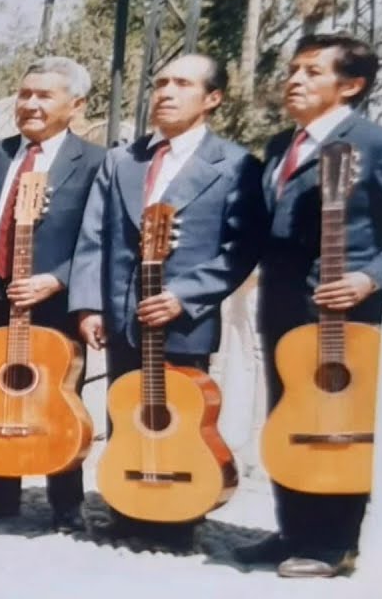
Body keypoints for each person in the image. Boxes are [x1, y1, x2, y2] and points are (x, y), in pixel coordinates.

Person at [69, 53, 267, 547]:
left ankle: (179, 512)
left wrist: (185, 295)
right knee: (127, 411)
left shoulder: (236, 165)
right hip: (123, 314)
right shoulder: (122, 160)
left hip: (184, 320)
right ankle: (128, 505)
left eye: (182, 83)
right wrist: (90, 304)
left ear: (213, 99)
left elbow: (240, 247)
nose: (165, 92)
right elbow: (94, 236)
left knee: (181, 416)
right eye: (160, 82)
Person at [233, 34, 382, 578]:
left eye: (311, 72)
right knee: (290, 415)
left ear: (350, 85)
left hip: (347, 311)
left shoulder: (378, 144)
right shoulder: (283, 144)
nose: (295, 80)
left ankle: (335, 545)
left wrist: (370, 278)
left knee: (339, 422)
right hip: (282, 304)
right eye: (293, 71)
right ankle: (293, 532)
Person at [0, 56, 105, 534]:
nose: (31, 104)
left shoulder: (97, 162)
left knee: (59, 395)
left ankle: (66, 504)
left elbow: (102, 238)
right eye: (25, 94)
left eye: (44, 95)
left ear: (76, 104)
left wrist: (59, 278)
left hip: (53, 295)